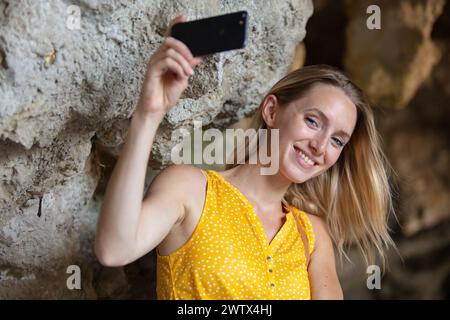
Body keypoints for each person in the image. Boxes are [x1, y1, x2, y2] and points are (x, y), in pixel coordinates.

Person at [95, 14, 396, 300]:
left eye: (336, 140)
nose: (319, 146)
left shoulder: (312, 234)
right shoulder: (191, 188)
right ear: (272, 111)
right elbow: (114, 249)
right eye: (313, 121)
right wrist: (149, 114)